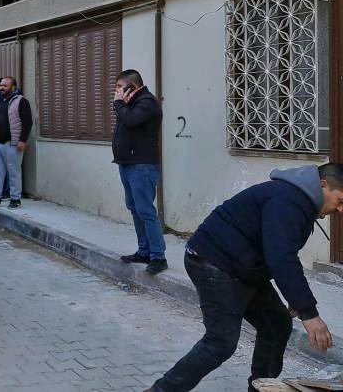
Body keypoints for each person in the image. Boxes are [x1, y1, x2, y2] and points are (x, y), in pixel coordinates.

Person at [146, 164, 343, 392]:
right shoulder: (288, 200)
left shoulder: (301, 200)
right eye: (340, 201)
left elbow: (281, 252)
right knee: (220, 342)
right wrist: (309, 313)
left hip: (244, 267)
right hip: (213, 262)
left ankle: (261, 388)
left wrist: (295, 296)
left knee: (276, 325)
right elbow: (281, 256)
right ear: (322, 185)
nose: (340, 210)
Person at [112, 69, 168, 275]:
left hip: (142, 166)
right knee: (134, 208)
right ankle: (144, 251)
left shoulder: (147, 102)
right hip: (127, 164)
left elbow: (132, 121)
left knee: (145, 210)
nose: (116, 91)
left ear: (132, 87)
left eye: (119, 87)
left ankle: (158, 256)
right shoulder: (130, 103)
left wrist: (119, 104)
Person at [0, 77, 32, 209]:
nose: (1, 87)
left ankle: (15, 199)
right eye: (1, 85)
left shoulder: (21, 101)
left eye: (5, 85)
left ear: (13, 87)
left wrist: (22, 140)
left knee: (14, 172)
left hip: (12, 144)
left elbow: (27, 122)